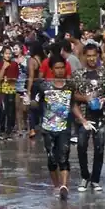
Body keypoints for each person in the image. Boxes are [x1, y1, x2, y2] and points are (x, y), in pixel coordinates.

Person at [36, 55, 88, 200]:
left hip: (64, 127)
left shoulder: (70, 86)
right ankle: (56, 185)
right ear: (52, 70)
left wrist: (82, 119)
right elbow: (37, 104)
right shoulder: (44, 86)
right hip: (48, 128)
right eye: (57, 68)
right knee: (51, 158)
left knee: (64, 156)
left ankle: (64, 186)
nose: (60, 70)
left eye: (62, 67)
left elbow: (73, 105)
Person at [72, 44, 105, 192]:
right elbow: (72, 95)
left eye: (94, 55)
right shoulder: (78, 74)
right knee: (81, 147)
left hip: (101, 117)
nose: (92, 58)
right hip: (83, 117)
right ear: (84, 56)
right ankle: (85, 177)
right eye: (89, 55)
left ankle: (96, 179)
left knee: (99, 148)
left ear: (98, 55)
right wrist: (85, 98)